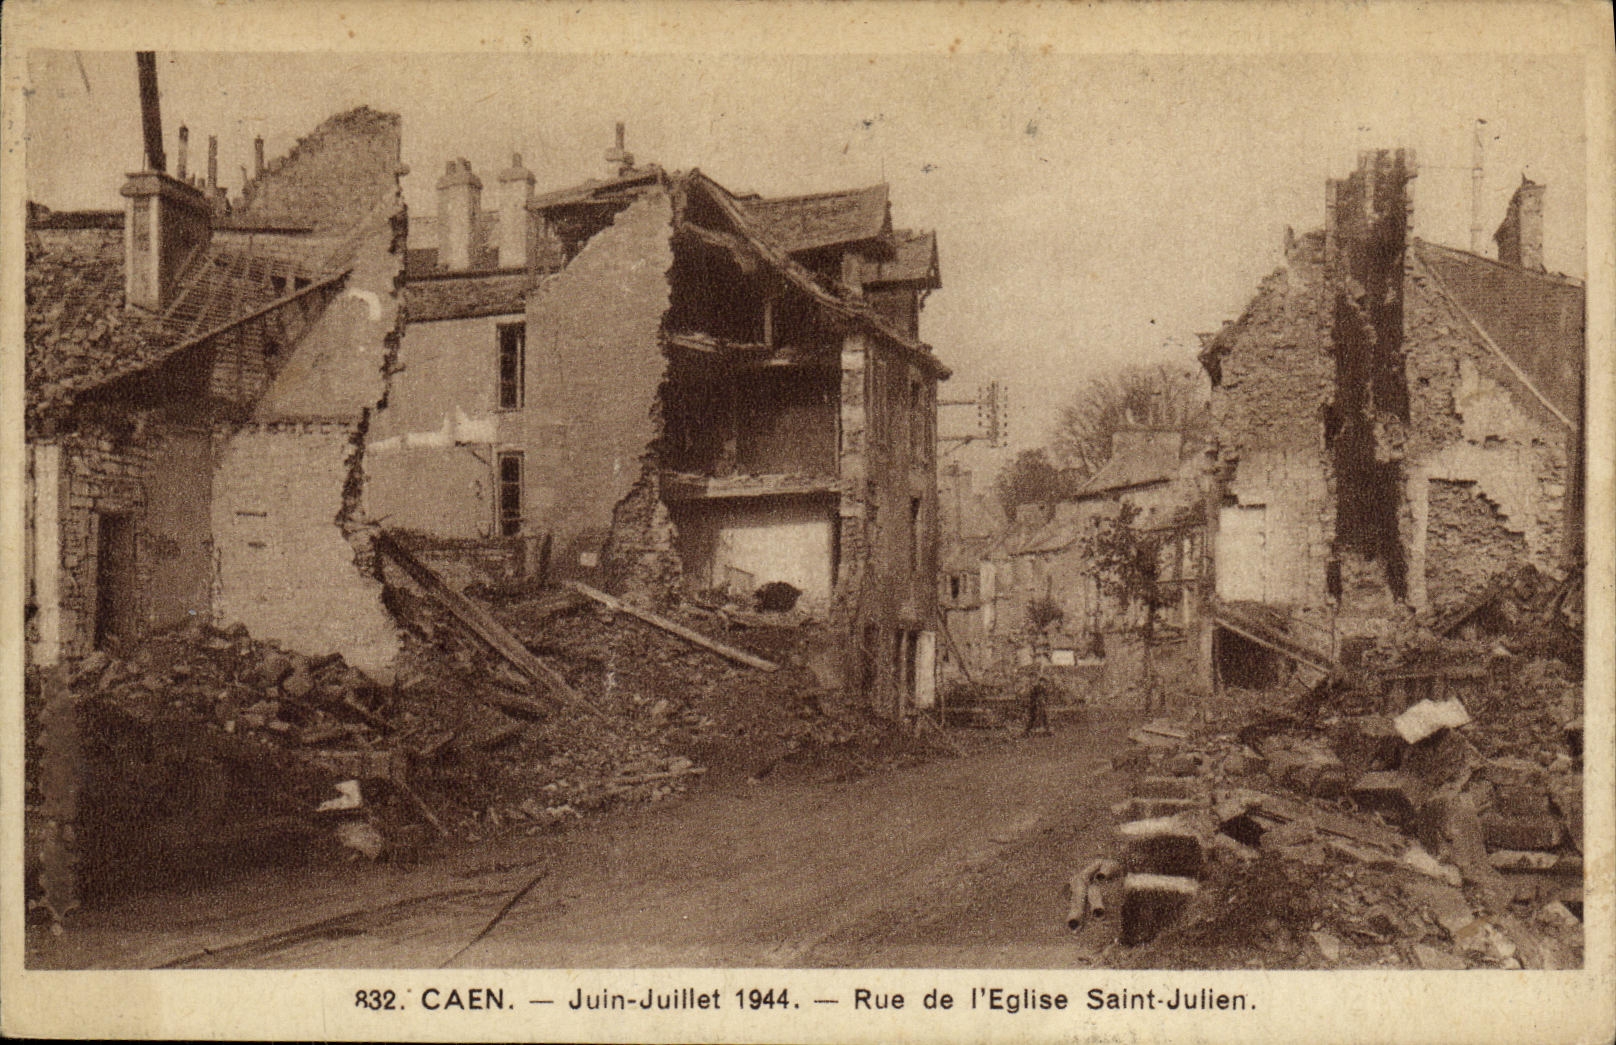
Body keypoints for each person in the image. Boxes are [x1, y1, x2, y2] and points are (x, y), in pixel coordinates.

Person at [1024, 663, 1055, 736]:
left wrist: (1043, 701)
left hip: (1040, 704)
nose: (1032, 679)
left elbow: (1045, 696)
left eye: (1034, 677)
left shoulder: (1040, 688)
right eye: (1031, 677)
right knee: (1034, 716)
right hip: (1034, 704)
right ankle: (1031, 730)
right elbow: (1032, 696)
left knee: (1042, 716)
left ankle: (1044, 730)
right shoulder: (1034, 687)